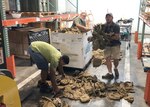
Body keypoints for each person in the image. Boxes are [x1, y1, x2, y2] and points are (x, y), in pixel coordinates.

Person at [102, 13, 121, 79]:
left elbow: (116, 37)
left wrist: (106, 37)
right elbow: (100, 34)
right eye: (106, 17)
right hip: (107, 45)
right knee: (107, 58)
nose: (108, 18)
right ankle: (110, 73)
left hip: (115, 45)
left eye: (109, 17)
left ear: (112, 18)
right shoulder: (103, 26)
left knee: (116, 59)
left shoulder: (116, 26)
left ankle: (115, 68)